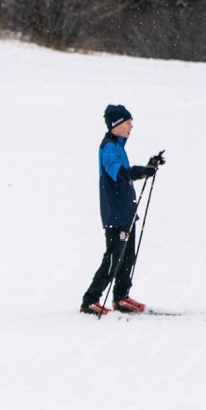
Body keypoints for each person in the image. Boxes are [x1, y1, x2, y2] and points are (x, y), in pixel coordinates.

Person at [81, 104, 165, 315]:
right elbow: (119, 174)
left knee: (127, 257)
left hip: (126, 212)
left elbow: (126, 172)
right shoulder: (108, 147)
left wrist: (148, 167)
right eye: (128, 122)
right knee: (113, 257)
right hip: (116, 214)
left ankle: (121, 297)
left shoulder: (118, 146)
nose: (131, 126)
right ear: (116, 125)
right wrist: (141, 171)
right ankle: (90, 300)